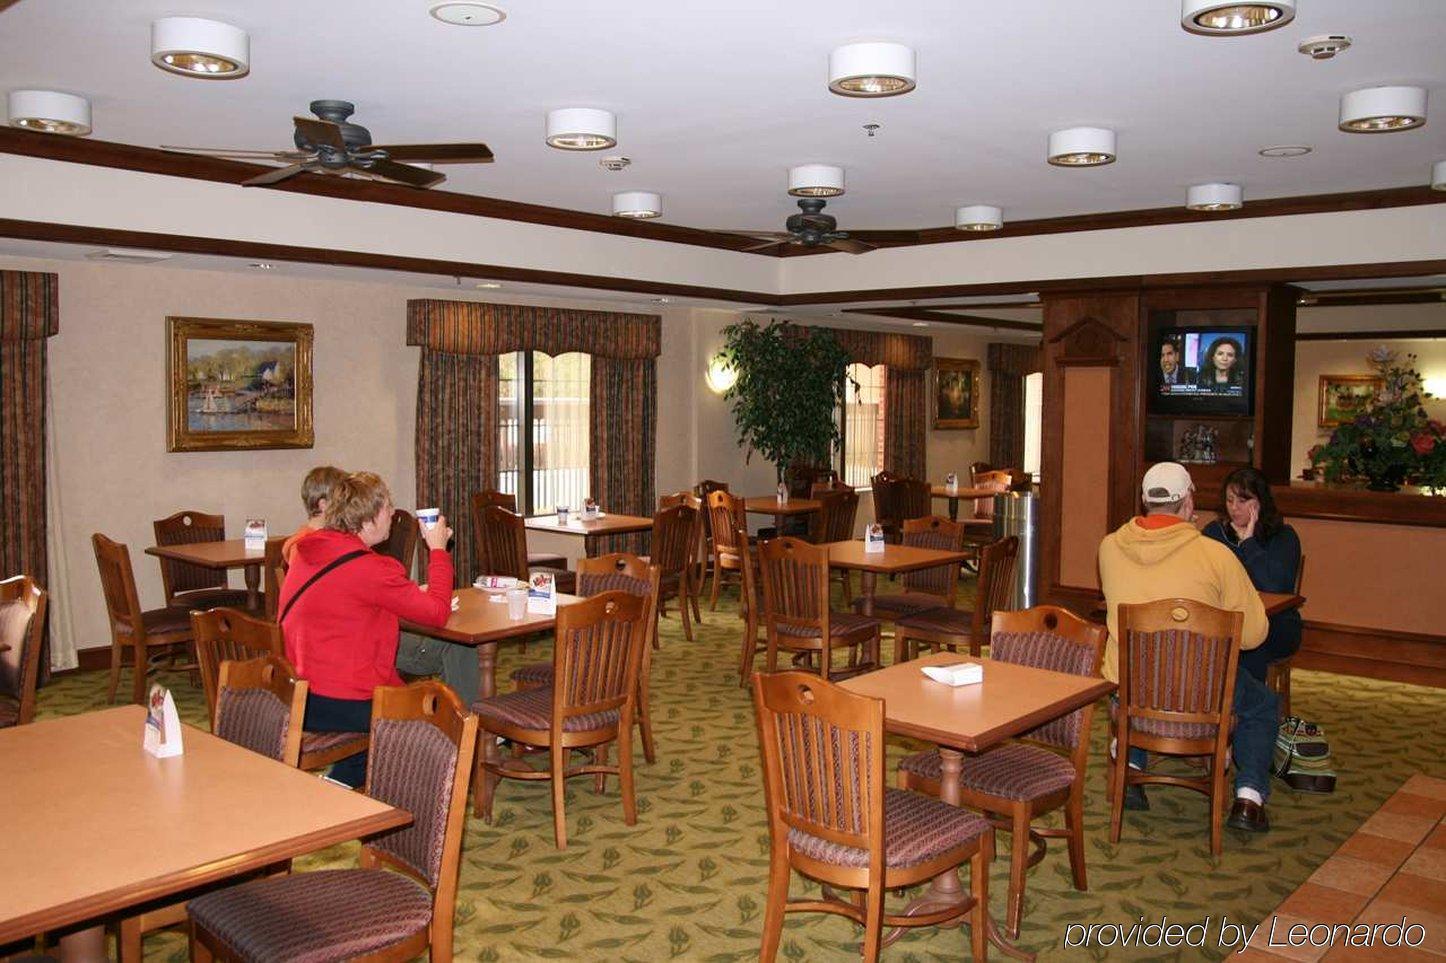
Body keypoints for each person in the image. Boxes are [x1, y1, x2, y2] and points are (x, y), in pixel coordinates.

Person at [1098, 462, 1277, 833]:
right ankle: (1249, 798)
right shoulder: (1217, 556)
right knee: (1262, 704)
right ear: (1188, 502)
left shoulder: (1109, 548)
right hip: (1202, 698)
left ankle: (1131, 767)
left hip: (1131, 696)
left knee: (1140, 667)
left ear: (1145, 501)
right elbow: (1255, 634)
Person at [277, 471, 453, 787]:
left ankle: (340, 780)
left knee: (379, 713)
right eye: (387, 508)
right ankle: (343, 789)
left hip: (297, 692)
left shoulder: (305, 552)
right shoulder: (369, 569)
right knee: (435, 716)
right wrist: (438, 550)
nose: (392, 515)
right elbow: (437, 613)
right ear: (369, 520)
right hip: (340, 700)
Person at [1202, 467, 1302, 683]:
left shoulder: (1283, 537)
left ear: (1260, 502)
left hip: (1275, 622)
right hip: (1224, 619)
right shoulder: (1214, 533)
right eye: (1229, 501)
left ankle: (1248, 710)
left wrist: (1248, 544)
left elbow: (1275, 586)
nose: (1234, 508)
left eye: (1243, 500)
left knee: (1248, 645)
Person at [281, 465, 347, 564]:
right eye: (342, 501)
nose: (347, 506)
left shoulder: (333, 536)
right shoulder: (303, 546)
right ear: (324, 505)